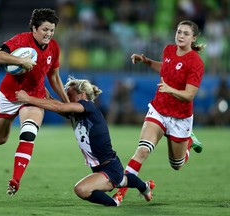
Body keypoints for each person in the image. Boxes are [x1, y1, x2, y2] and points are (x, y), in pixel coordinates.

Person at [15, 76, 155, 207]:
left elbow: (59, 107)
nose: (67, 98)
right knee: (122, 180)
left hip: (109, 167)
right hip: (104, 166)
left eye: (70, 95)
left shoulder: (87, 105)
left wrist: (28, 99)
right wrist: (43, 91)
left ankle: (114, 202)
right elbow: (56, 104)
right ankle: (145, 186)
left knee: (81, 189)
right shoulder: (78, 111)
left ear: (82, 94)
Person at [112, 20, 205, 201]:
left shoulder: (196, 62)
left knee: (176, 164)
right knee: (142, 151)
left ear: (193, 38)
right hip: (159, 110)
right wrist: (146, 61)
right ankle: (119, 194)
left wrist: (171, 90)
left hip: (180, 118)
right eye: (179, 31)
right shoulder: (169, 50)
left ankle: (188, 142)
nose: (181, 35)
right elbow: (165, 67)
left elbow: (190, 95)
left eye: (186, 33)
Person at [0, 8, 69, 196]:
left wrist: (66, 102)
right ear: (34, 28)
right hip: (8, 96)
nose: (49, 34)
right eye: (45, 29)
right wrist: (19, 61)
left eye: (52, 30)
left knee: (29, 134)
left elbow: (54, 77)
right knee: (0, 140)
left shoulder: (54, 47)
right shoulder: (21, 40)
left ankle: (15, 179)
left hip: (34, 97)